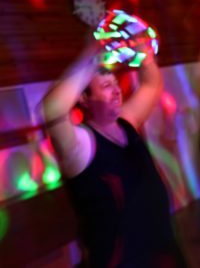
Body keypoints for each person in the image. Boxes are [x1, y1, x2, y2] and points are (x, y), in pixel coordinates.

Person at [42, 41, 185, 267]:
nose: (117, 91)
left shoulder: (126, 121)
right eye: (107, 86)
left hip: (163, 251)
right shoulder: (81, 143)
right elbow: (52, 110)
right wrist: (93, 50)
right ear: (84, 98)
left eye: (116, 84)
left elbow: (151, 85)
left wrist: (144, 52)